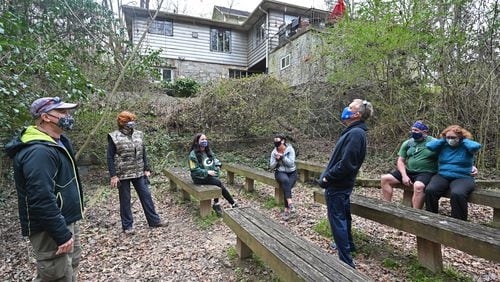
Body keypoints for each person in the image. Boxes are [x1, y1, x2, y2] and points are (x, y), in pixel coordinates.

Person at [5, 97, 83, 281]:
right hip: (51, 227)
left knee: (69, 269)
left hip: (66, 219)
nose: (68, 116)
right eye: (62, 112)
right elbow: (40, 198)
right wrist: (61, 233)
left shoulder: (59, 141)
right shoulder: (39, 152)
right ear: (46, 117)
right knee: (55, 274)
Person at [319, 98, 373, 268]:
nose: (346, 109)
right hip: (341, 184)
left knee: (337, 219)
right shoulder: (353, 131)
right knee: (343, 214)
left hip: (338, 184)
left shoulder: (356, 133)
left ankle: (346, 262)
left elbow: (347, 164)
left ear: (356, 114)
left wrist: (328, 177)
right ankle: (349, 245)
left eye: (350, 107)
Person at [107, 111, 166, 234]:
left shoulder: (139, 135)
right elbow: (109, 157)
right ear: (122, 122)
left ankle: (154, 221)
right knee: (125, 200)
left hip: (139, 172)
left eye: (133, 120)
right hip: (123, 173)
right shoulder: (114, 137)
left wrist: (146, 168)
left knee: (146, 196)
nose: (132, 122)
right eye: (129, 120)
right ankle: (127, 226)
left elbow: (143, 152)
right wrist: (113, 175)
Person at [425, 125, 481, 221]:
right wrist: (443, 139)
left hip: (463, 176)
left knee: (457, 193)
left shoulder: (466, 146)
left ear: (460, 137)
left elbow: (476, 146)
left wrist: (463, 140)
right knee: (430, 190)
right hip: (443, 175)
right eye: (448, 137)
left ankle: (458, 222)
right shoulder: (443, 145)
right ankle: (431, 217)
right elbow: (429, 146)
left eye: (453, 137)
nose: (450, 140)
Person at [380, 121, 437, 209]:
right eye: (412, 130)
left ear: (424, 132)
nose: (413, 132)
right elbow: (400, 160)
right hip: (409, 171)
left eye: (416, 130)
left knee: (418, 186)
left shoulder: (434, 142)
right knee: (385, 179)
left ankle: (415, 214)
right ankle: (387, 207)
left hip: (426, 172)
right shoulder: (408, 143)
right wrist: (404, 176)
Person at [188, 133, 238, 217]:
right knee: (218, 182)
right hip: (199, 178)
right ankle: (231, 203)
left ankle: (217, 203)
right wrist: (206, 172)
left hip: (209, 176)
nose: (205, 141)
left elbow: (215, 160)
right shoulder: (193, 155)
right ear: (197, 142)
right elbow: (194, 170)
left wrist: (218, 165)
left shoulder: (208, 152)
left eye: (206, 139)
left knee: (216, 181)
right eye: (202, 140)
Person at [269, 133, 297, 221]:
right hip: (280, 172)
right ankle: (290, 204)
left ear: (283, 141)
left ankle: (287, 209)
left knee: (287, 186)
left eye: (278, 141)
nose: (276, 143)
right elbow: (271, 166)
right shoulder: (274, 152)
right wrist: (277, 160)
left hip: (292, 172)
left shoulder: (290, 150)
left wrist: (283, 158)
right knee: (285, 181)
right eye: (275, 141)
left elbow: (291, 163)